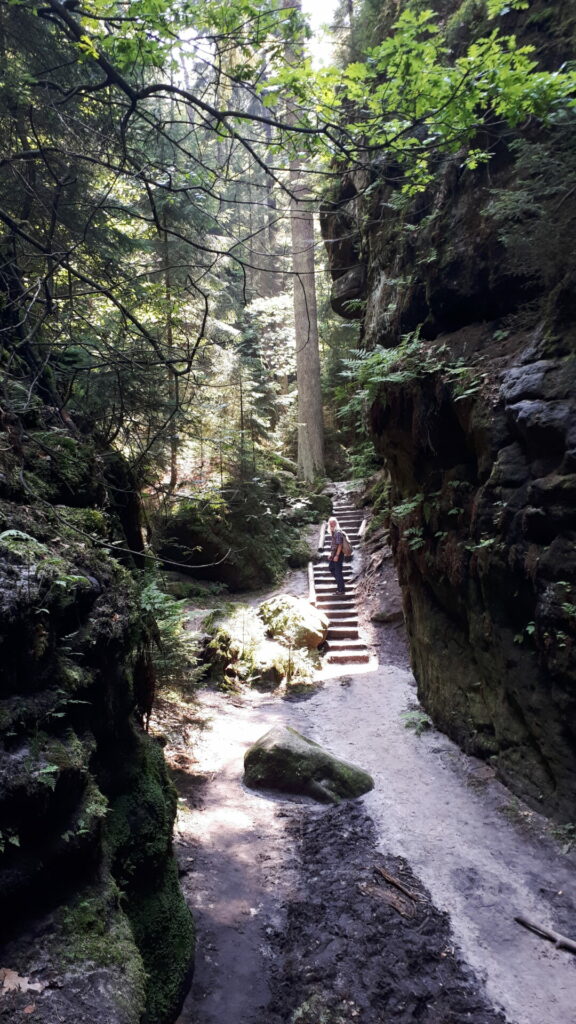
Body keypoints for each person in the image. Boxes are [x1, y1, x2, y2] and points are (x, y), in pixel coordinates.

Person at [327, 516, 346, 595]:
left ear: (336, 523)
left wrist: (337, 555)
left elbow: (340, 545)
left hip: (339, 554)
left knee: (338, 572)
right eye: (330, 523)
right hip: (334, 553)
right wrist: (331, 554)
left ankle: (341, 590)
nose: (331, 524)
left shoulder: (338, 532)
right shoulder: (334, 532)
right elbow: (334, 545)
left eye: (333, 523)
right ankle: (341, 584)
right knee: (331, 568)